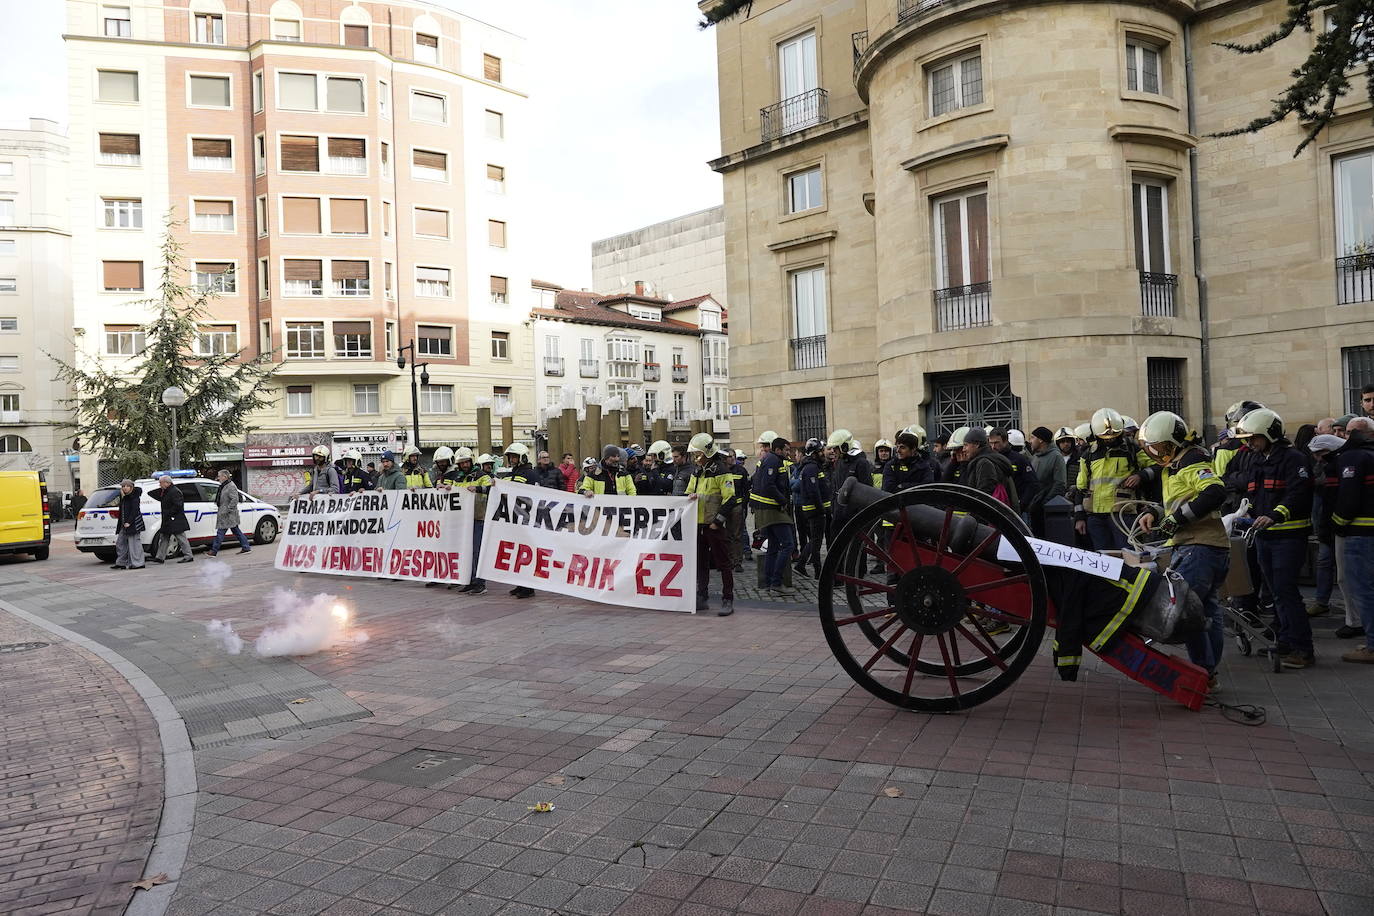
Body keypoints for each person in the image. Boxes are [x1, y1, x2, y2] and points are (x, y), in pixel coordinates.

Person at [1136, 412, 1230, 687]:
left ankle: (1202, 675)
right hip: (1206, 547)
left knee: (1187, 614)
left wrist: (1176, 520)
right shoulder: (1176, 464)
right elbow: (1180, 501)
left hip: (1197, 548)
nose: (1156, 453)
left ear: (1175, 442)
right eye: (1153, 448)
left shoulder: (1192, 460)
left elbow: (1214, 492)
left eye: (1160, 447)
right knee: (1207, 611)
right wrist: (1155, 513)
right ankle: (1208, 673)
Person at [1239, 408, 1316, 668]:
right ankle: (1284, 641)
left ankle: (1302, 649)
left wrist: (1275, 515)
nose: (1250, 443)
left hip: (1289, 536)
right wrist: (1245, 512)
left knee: (1286, 590)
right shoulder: (1259, 459)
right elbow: (1255, 494)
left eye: (1254, 437)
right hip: (1265, 536)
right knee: (1275, 592)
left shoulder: (1293, 459)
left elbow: (1298, 494)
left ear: (1270, 434)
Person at [1331, 417, 1374, 661]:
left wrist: (1336, 524)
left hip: (1360, 534)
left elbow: (1348, 498)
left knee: (1364, 591)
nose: (1343, 437)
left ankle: (1372, 646)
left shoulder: (1353, 457)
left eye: (1347, 432)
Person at [1074, 408, 1146, 551]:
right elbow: (1081, 487)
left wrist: (1140, 476)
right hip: (1096, 516)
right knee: (1104, 560)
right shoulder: (1088, 455)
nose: (1111, 439)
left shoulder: (1131, 449)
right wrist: (1079, 517)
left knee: (1128, 556)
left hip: (1123, 513)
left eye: (1114, 435)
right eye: (1106, 437)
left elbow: (1155, 466)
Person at [686, 432, 737, 616]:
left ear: (707, 453)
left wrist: (717, 522)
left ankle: (727, 599)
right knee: (701, 563)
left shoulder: (721, 471)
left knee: (723, 563)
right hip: (698, 525)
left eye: (697, 454)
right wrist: (689, 497)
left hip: (713, 526)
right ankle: (702, 597)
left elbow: (730, 498)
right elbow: (689, 493)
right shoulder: (697, 471)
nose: (694, 457)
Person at [1307, 434, 1346, 621]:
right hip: (1327, 524)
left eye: (1320, 453)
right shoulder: (1322, 467)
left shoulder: (1338, 467)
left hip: (1340, 525)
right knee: (1324, 562)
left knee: (1344, 571)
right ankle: (1321, 602)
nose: (1317, 458)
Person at [750, 434, 795, 596]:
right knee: (788, 544)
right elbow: (768, 484)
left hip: (767, 508)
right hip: (772, 509)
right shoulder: (773, 460)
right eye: (786, 450)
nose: (788, 453)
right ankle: (776, 582)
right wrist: (783, 501)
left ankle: (769, 583)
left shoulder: (772, 459)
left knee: (774, 547)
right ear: (778, 449)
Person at [504, 443, 539, 598]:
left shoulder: (528, 473)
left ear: (523, 457)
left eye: (514, 456)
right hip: (517, 518)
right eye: (510, 457)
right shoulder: (516, 472)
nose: (512, 459)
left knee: (526, 553)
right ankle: (520, 584)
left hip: (526, 519)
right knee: (518, 552)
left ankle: (528, 587)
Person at [457, 454, 495, 595]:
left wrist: (478, 489)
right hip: (464, 521)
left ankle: (480, 583)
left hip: (479, 518)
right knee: (467, 552)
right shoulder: (459, 478)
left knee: (477, 552)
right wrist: (446, 488)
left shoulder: (482, 475)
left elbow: (492, 488)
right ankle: (471, 581)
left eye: (467, 462)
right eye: (462, 463)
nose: (465, 465)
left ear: (471, 462)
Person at [794, 437, 829, 578]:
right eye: (821, 451)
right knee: (816, 541)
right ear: (814, 453)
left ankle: (804, 566)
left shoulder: (812, 466)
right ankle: (814, 569)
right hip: (815, 510)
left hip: (815, 509)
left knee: (815, 539)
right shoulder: (811, 467)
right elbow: (813, 491)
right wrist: (821, 509)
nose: (823, 453)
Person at [961, 427, 1019, 511]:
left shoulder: (984, 463)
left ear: (977, 444)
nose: (963, 449)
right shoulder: (987, 459)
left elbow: (984, 496)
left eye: (966, 445)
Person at [1025, 426, 1067, 537]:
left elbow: (1060, 483)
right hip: (1034, 508)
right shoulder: (1035, 457)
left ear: (1041, 440)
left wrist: (1045, 503)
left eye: (1033, 437)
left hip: (1046, 510)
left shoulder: (1056, 456)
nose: (1030, 441)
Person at [990, 428, 1039, 519]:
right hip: (996, 508)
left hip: (1017, 510)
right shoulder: (989, 459)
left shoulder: (1019, 459)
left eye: (996, 443)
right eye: (991, 443)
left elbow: (1033, 483)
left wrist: (1022, 504)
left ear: (1005, 441)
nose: (993, 447)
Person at [206, 468, 252, 557]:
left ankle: (214, 551)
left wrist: (228, 509)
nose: (218, 478)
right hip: (226, 513)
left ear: (225, 477)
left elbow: (235, 499)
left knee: (220, 532)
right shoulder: (224, 485)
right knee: (236, 531)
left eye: (219, 476)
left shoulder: (230, 486)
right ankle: (246, 547)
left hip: (228, 514)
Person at [149, 475, 193, 564]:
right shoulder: (166, 491)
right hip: (168, 519)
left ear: (167, 483)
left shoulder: (174, 491)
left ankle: (188, 556)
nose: (159, 485)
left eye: (161, 483)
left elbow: (178, 505)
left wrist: (169, 513)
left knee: (181, 538)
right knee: (164, 538)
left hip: (175, 519)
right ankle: (160, 557)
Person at [111, 479, 145, 570]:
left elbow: (134, 511)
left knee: (134, 544)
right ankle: (121, 563)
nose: (125, 488)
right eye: (123, 486)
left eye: (127, 486)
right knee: (120, 543)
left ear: (131, 487)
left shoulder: (134, 497)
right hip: (124, 524)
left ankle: (138, 563)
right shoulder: (125, 497)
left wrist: (129, 522)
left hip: (133, 524)